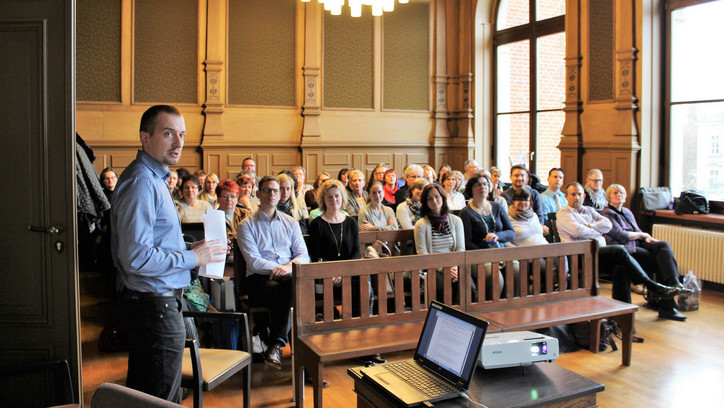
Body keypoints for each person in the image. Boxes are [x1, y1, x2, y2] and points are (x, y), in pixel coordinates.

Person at [112, 105, 226, 402]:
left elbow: (152, 244)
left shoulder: (155, 179)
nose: (178, 143)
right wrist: (193, 259)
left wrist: (190, 249)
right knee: (160, 399)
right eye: (168, 133)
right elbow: (136, 258)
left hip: (153, 305)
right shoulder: (142, 182)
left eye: (182, 134)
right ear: (145, 138)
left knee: (146, 396)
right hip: (153, 308)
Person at [555, 182, 686, 306]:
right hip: (579, 255)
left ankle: (623, 314)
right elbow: (577, 230)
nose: (576, 197)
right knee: (619, 250)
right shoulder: (563, 214)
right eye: (573, 194)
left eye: (579, 194)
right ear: (566, 196)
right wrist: (596, 230)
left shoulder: (589, 210)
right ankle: (652, 286)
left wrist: (588, 227)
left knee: (621, 267)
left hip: (599, 251)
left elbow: (607, 225)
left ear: (584, 196)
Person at [237, 175, 310, 369]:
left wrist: (286, 268)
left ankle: (275, 345)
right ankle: (303, 361)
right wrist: (279, 269)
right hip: (258, 280)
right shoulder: (246, 225)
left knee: (290, 287)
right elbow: (253, 261)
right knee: (294, 291)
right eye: (267, 190)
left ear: (280, 195)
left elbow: (304, 255)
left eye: (275, 191)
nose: (271, 194)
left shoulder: (290, 223)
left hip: (286, 279)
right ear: (258, 194)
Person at [601, 184, 687, 321]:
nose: (619, 195)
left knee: (663, 247)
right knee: (660, 262)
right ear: (608, 197)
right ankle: (668, 306)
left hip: (636, 244)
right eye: (615, 193)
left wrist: (647, 237)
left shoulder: (627, 212)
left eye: (622, 193)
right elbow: (621, 235)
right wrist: (643, 235)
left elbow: (637, 230)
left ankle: (674, 284)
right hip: (624, 250)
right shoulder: (606, 214)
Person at [459, 173, 514, 296]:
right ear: (471, 189)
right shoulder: (466, 213)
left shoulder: (497, 207)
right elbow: (467, 243)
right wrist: (489, 255)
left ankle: (513, 307)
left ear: (489, 188)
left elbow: (511, 233)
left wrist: (498, 236)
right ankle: (493, 309)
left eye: (485, 184)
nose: (482, 187)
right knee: (494, 275)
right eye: (478, 185)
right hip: (478, 255)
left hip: (500, 251)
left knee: (516, 268)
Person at [414, 184, 471, 302]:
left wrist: (454, 268)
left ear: (443, 198)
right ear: (425, 202)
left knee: (469, 286)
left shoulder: (456, 221)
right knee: (442, 288)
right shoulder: (421, 224)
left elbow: (460, 249)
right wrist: (443, 269)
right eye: (429, 198)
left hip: (454, 265)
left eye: (437, 196)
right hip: (433, 267)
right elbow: (422, 255)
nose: (434, 201)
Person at [500, 165, 547, 230]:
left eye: (522, 175)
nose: (519, 178)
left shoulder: (534, 194)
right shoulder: (505, 196)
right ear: (511, 177)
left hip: (535, 227)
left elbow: (540, 216)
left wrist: (538, 227)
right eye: (516, 175)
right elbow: (508, 218)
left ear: (527, 178)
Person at [215, 179, 251, 243]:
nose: (229, 199)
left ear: (237, 199)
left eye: (232, 196)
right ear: (218, 199)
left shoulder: (245, 214)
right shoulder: (213, 217)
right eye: (225, 196)